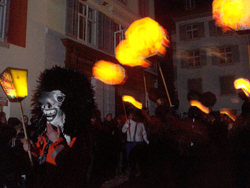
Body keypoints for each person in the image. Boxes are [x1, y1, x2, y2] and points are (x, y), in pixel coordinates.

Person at [23, 66, 96, 187]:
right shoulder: (45, 135)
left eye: (58, 99)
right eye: (44, 100)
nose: (46, 107)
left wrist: (57, 142)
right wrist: (31, 151)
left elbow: (75, 170)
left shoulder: (80, 136)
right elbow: (41, 160)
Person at [122, 110, 149, 181]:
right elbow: (123, 130)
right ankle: (131, 174)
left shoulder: (141, 124)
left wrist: (146, 140)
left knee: (138, 159)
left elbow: (144, 133)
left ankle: (139, 173)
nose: (129, 116)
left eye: (130, 115)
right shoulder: (128, 122)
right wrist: (126, 127)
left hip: (138, 143)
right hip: (130, 143)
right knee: (129, 159)